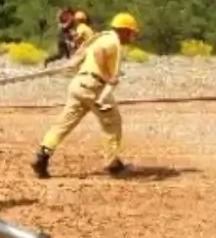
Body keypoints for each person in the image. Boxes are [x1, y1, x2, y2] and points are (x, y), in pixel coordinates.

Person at [31, 12, 140, 179]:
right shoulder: (111, 40)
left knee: (64, 124)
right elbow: (98, 53)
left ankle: (42, 155)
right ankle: (113, 165)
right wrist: (108, 77)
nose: (133, 36)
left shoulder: (103, 37)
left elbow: (86, 51)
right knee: (112, 122)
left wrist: (74, 64)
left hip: (79, 85)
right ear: (124, 30)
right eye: (132, 32)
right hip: (93, 87)